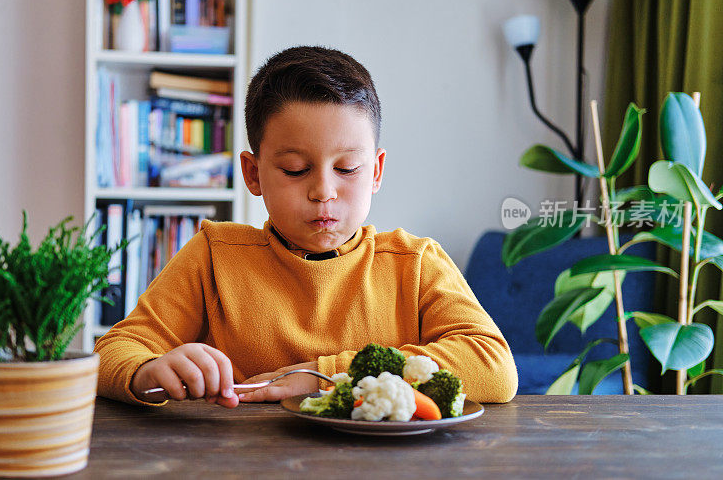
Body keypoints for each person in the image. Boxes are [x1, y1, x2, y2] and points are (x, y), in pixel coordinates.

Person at [94, 45, 517, 408]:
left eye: (347, 168)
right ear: (254, 173)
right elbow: (114, 351)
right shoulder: (214, 257)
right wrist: (148, 371)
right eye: (296, 169)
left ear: (376, 171)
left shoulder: (414, 264)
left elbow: (493, 367)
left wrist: (327, 375)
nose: (323, 191)